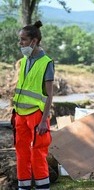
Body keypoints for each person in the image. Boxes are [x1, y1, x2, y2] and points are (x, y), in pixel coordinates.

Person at [12, 20, 54, 190]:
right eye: (20, 39)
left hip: (37, 115)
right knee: (21, 153)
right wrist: (14, 112)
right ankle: (23, 187)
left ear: (34, 41)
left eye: (23, 39)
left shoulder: (46, 63)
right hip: (20, 114)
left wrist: (44, 120)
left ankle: (43, 187)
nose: (20, 43)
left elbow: (49, 95)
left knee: (38, 153)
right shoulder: (24, 60)